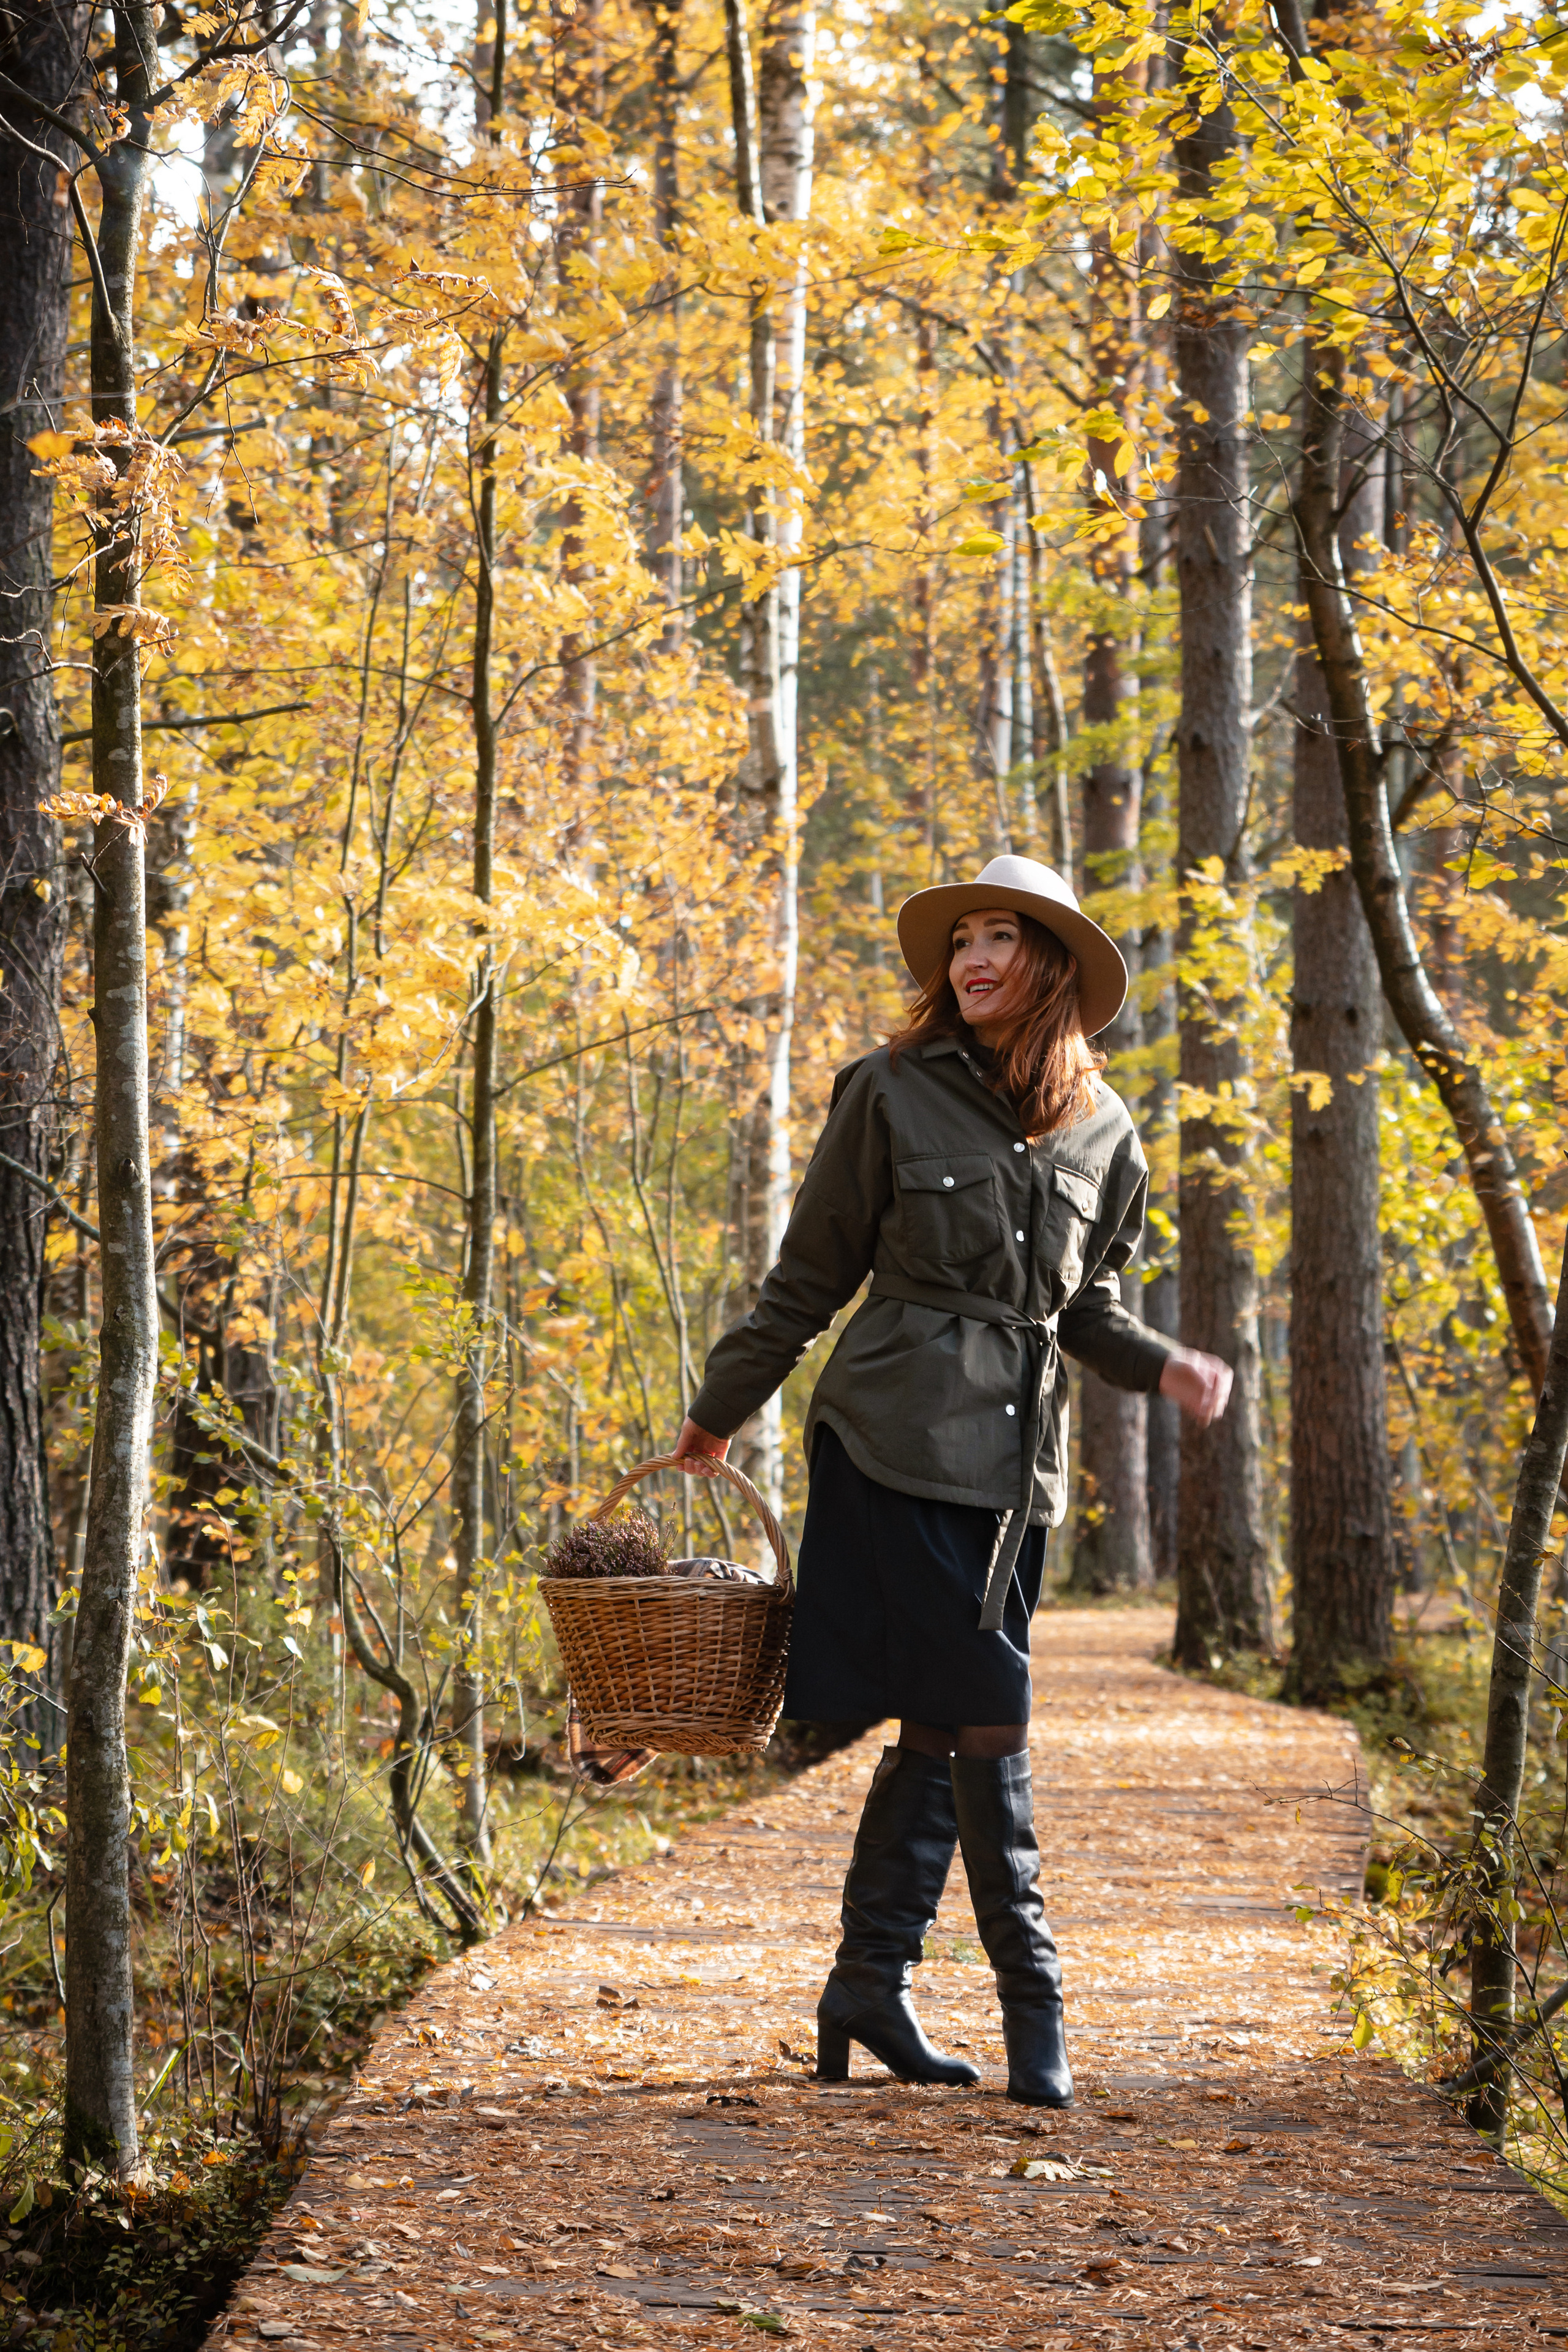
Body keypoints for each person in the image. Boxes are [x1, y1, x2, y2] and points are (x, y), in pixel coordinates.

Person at [671, 854, 1231, 2106]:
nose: (971, 960)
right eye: (960, 939)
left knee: (942, 1720)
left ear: (1052, 970)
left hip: (1012, 1471)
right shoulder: (884, 1091)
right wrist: (716, 1413)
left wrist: (1169, 1367)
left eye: (999, 939)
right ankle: (1036, 2006)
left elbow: (1081, 1310)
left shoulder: (1105, 1128)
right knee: (990, 1711)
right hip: (892, 1435)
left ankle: (866, 1984)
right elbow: (808, 1274)